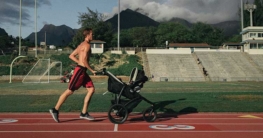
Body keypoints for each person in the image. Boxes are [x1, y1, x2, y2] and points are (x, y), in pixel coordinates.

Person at [49, 28, 97, 123]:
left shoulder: (81, 45)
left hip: (82, 71)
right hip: (80, 71)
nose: (93, 36)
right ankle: (55, 109)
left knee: (91, 89)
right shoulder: (87, 46)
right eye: (92, 34)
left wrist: (80, 62)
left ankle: (84, 113)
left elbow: (71, 56)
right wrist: (92, 70)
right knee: (70, 91)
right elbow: (84, 61)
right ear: (87, 35)